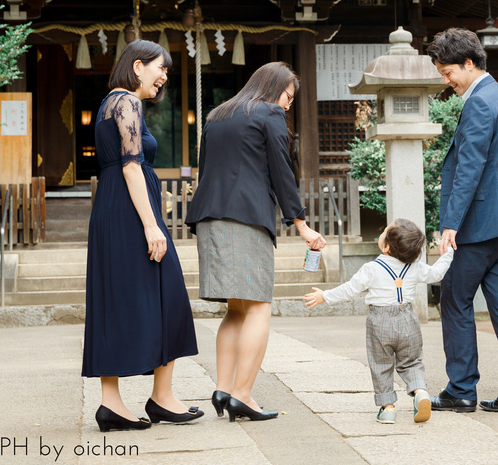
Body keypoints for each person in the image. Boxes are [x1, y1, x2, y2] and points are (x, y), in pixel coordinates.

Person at [185, 62, 326, 423]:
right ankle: (243, 395)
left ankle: (224, 388)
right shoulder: (268, 113)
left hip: (209, 218)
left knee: (236, 309)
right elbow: (282, 168)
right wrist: (301, 224)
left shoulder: (217, 115)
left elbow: (207, 168)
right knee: (259, 306)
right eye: (288, 95)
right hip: (244, 217)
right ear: (272, 86)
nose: (288, 104)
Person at [82, 40, 202, 433]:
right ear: (137, 66)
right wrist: (152, 225)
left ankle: (117, 402)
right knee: (169, 296)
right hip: (129, 214)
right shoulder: (127, 102)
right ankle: (157, 397)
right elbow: (132, 167)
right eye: (159, 68)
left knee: (115, 299)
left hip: (113, 209)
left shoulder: (108, 102)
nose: (164, 75)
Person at [426, 28, 498, 415]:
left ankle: (460, 389)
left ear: (468, 63)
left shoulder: (478, 103)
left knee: (454, 300)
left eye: (447, 71)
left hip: (478, 226)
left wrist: (451, 223)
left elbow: (469, 167)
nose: (446, 80)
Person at [304, 218, 453, 424]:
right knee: (412, 361)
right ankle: (420, 392)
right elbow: (436, 273)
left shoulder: (371, 268)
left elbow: (350, 289)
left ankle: (388, 408)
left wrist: (325, 296)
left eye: (385, 232)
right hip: (408, 319)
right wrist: (448, 255)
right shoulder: (415, 267)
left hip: (380, 321)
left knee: (381, 364)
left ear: (386, 246)